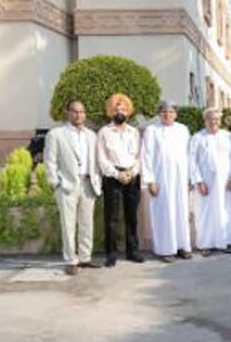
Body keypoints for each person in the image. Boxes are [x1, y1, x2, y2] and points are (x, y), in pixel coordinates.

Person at [44, 100, 102, 275]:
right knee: (68, 224)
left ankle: (85, 257)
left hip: (88, 183)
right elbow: (50, 161)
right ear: (68, 112)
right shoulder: (56, 134)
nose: (79, 115)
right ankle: (71, 260)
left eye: (82, 112)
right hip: (67, 184)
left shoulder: (92, 135)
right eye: (75, 111)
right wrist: (56, 183)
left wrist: (96, 180)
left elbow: (96, 161)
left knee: (86, 222)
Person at [141, 100, 194, 263]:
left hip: (180, 178)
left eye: (171, 111)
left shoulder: (183, 129)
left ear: (176, 114)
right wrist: (150, 181)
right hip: (161, 179)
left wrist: (190, 177)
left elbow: (189, 154)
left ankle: (182, 247)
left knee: (180, 212)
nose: (168, 114)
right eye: (164, 111)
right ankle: (165, 249)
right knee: (164, 213)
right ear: (159, 114)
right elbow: (146, 155)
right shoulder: (152, 130)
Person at [98, 93, 144, 266]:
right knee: (112, 218)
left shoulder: (134, 132)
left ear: (129, 112)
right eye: (117, 109)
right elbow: (102, 158)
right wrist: (117, 174)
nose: (120, 112)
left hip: (132, 176)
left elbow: (139, 156)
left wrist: (132, 172)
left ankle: (133, 251)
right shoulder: (104, 132)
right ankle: (111, 253)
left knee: (132, 217)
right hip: (112, 178)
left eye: (124, 109)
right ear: (111, 111)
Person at [190, 108, 231, 256]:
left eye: (216, 119)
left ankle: (224, 242)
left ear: (220, 120)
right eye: (211, 118)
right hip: (206, 183)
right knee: (205, 213)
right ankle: (206, 244)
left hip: (225, 182)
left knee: (225, 211)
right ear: (205, 120)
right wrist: (199, 181)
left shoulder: (228, 136)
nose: (214, 121)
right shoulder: (198, 137)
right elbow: (192, 161)